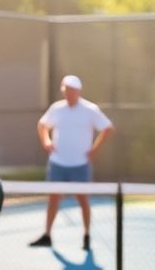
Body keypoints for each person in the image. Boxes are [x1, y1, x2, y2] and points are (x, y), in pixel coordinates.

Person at [29, 75, 114, 251]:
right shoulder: (57, 109)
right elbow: (42, 125)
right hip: (57, 163)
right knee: (53, 200)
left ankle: (86, 235)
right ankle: (47, 235)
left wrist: (94, 149)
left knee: (83, 200)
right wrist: (46, 141)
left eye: (72, 90)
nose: (69, 93)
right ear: (63, 91)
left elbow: (108, 128)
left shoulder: (90, 110)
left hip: (80, 165)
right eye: (66, 90)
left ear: (78, 92)